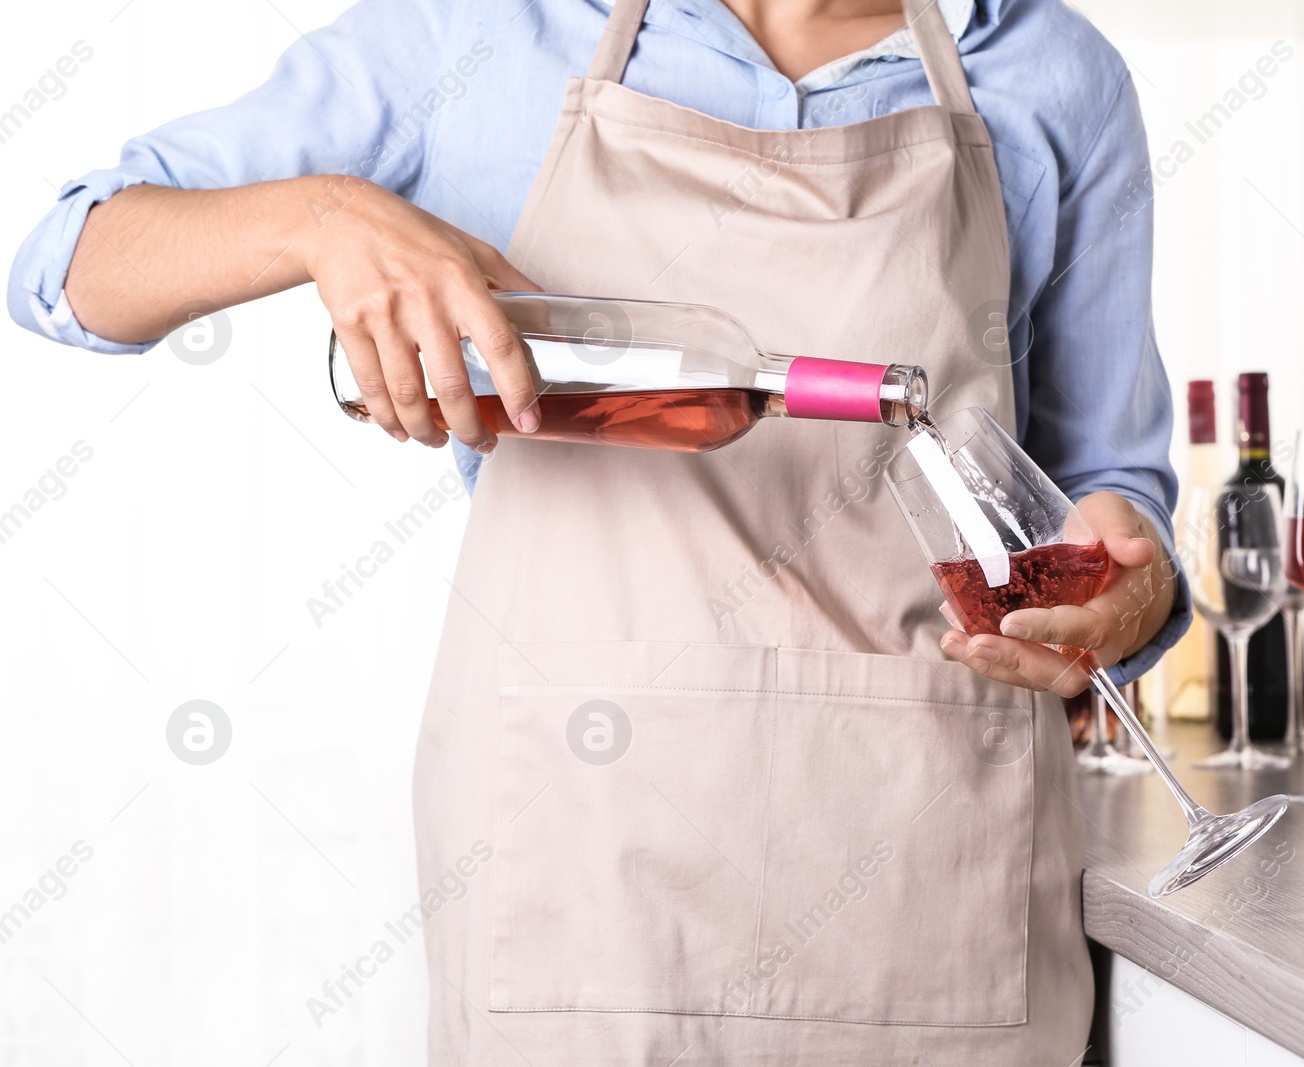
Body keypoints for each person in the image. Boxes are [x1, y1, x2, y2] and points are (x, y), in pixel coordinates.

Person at [10, 0, 1189, 1060]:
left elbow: (1106, 480)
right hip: (579, 869)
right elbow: (68, 263)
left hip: (929, 871)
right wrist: (326, 217)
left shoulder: (1047, 70)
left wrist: (1121, 592)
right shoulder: (474, 35)